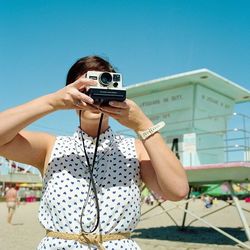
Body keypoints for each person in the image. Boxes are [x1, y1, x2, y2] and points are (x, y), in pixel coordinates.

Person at [0, 55, 189, 249]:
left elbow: (177, 190)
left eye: (104, 84)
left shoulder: (136, 149)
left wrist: (143, 125)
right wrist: (52, 102)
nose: (94, 93)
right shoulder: (50, 146)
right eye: (85, 87)